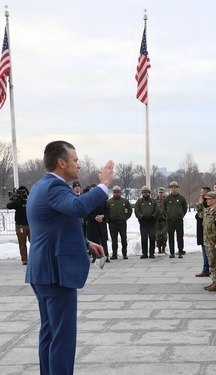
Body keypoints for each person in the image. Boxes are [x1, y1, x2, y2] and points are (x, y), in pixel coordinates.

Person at [25, 140, 114, 375]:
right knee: (62, 338)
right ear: (61, 162)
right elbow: (76, 208)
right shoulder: (55, 187)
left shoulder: (40, 186)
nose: (79, 165)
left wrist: (85, 242)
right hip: (56, 273)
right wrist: (104, 186)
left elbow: (50, 226)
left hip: (43, 270)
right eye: (75, 160)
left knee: (50, 333)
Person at [196, 191, 216, 291]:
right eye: (206, 199)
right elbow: (199, 214)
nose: (207, 201)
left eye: (209, 199)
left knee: (215, 263)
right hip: (207, 241)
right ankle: (214, 281)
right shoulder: (207, 210)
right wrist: (199, 204)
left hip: (214, 241)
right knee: (211, 262)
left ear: (214, 199)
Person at [84, 184, 110, 264]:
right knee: (94, 240)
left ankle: (105, 256)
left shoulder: (102, 199)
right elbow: (86, 211)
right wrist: (95, 217)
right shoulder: (88, 200)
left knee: (103, 240)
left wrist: (102, 216)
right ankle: (96, 256)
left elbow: (107, 209)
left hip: (101, 222)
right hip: (93, 223)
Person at [6, 186, 30, 265]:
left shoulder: (31, 200)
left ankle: (35, 258)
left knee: (34, 243)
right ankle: (24, 259)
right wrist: (17, 200)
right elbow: (9, 206)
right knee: (22, 244)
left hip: (31, 225)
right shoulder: (18, 202)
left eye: (24, 192)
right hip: (20, 225)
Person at [107, 186, 132, 259]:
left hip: (122, 223)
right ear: (113, 193)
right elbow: (106, 212)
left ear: (120, 192)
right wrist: (108, 220)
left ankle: (124, 253)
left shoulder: (125, 201)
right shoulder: (109, 202)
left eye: (118, 192)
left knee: (124, 238)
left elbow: (130, 210)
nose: (116, 194)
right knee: (114, 240)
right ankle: (114, 254)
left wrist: (125, 217)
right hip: (112, 223)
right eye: (115, 192)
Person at [164, 181, 187, 258]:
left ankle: (180, 251)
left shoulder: (181, 198)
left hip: (179, 220)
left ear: (177, 188)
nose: (173, 189)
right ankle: (172, 252)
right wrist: (168, 215)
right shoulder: (167, 198)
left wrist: (181, 215)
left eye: (175, 187)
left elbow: (185, 208)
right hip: (170, 220)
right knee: (170, 236)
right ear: (170, 189)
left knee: (180, 236)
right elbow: (164, 209)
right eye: (172, 187)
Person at [134, 186, 157, 259]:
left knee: (152, 238)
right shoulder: (139, 202)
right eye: (144, 192)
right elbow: (137, 211)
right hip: (143, 223)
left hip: (152, 223)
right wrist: (142, 217)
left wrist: (153, 216)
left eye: (147, 192)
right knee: (144, 238)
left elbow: (157, 211)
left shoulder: (153, 201)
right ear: (142, 193)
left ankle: (152, 253)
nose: (145, 194)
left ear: (149, 193)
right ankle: (144, 253)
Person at [195, 187, 212, 277]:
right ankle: (206, 268)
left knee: (206, 251)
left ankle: (206, 269)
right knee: (204, 249)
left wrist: (200, 204)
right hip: (202, 229)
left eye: (201, 192)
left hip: (206, 231)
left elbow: (200, 216)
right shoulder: (204, 202)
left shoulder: (206, 203)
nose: (200, 193)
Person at [155, 187, 168, 254]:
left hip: (164, 220)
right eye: (160, 192)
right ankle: (159, 249)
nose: (161, 194)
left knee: (164, 235)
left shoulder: (166, 200)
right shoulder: (155, 201)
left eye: (162, 192)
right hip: (157, 220)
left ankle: (163, 248)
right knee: (157, 235)